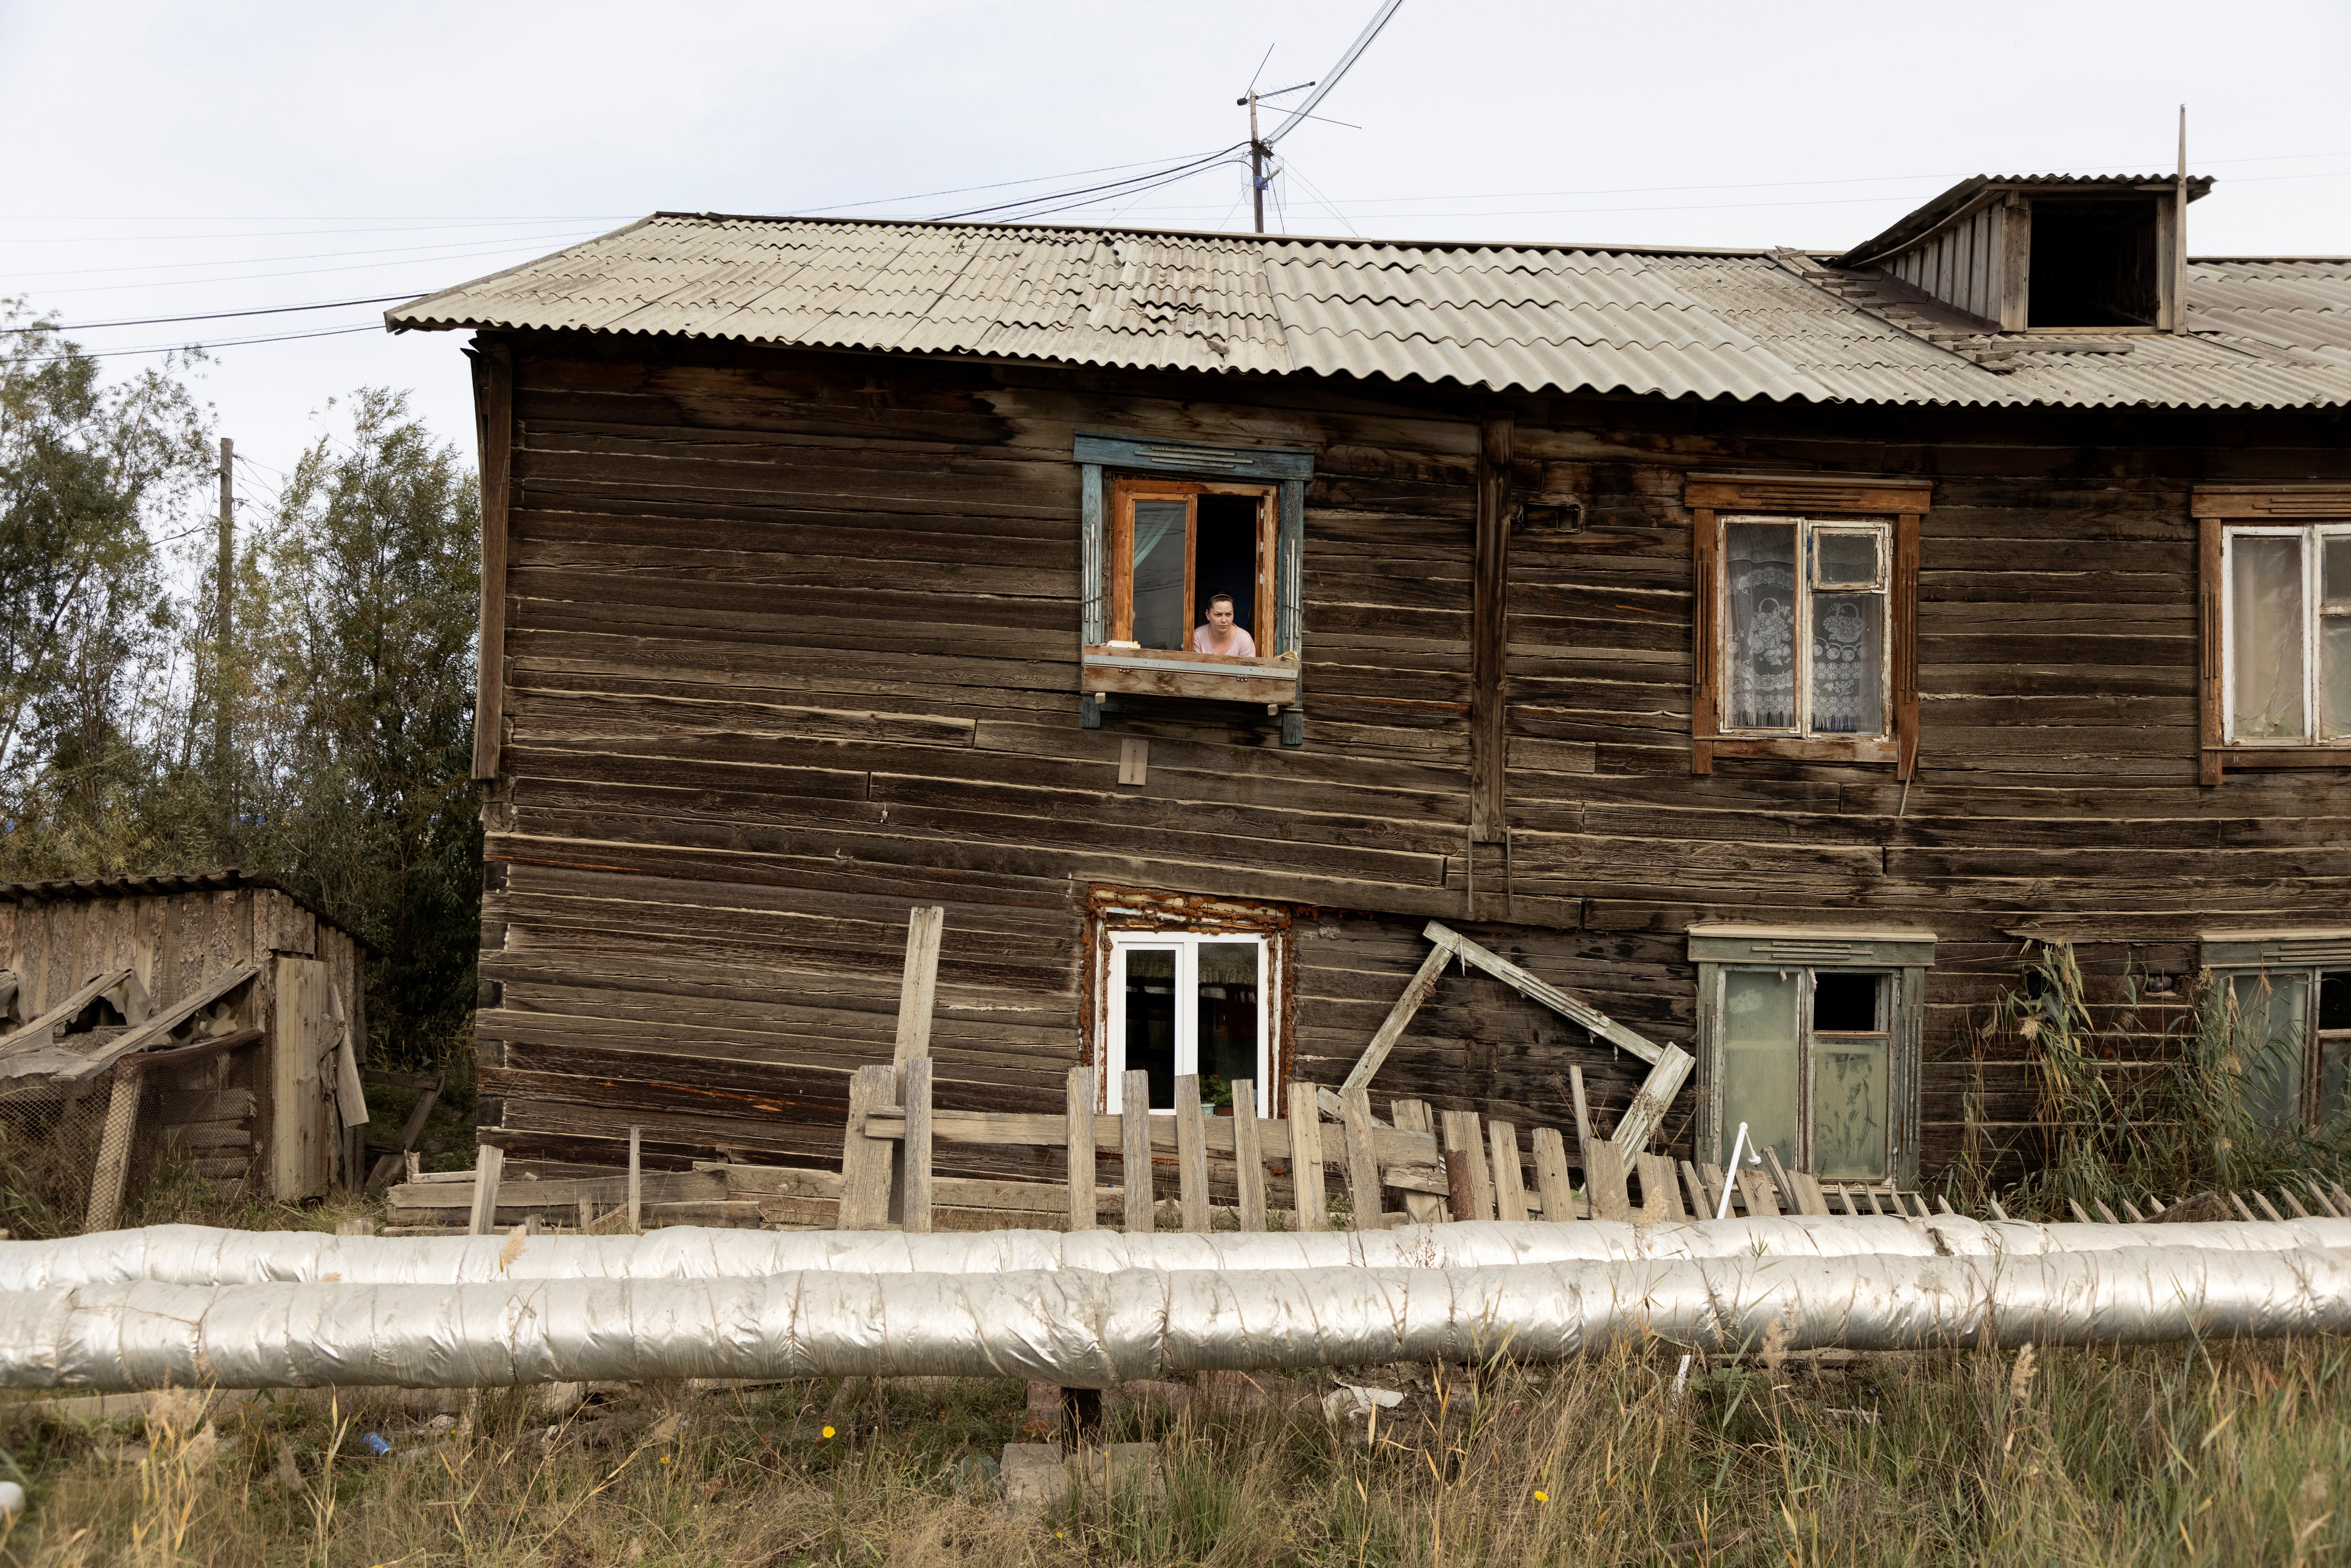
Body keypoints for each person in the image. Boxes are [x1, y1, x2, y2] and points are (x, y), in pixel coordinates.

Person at [1193, 593, 1257, 655]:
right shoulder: (1198, 636)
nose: (1224, 620)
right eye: (1218, 615)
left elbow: (1247, 666)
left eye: (1229, 615)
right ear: (1208, 614)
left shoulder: (1244, 639)